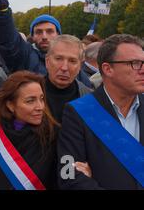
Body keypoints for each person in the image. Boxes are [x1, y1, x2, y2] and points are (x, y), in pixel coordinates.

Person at [58, 34, 144, 190]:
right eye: (135, 63)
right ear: (107, 69)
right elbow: (67, 174)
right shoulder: (77, 112)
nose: (143, 70)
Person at [0, 0, 91, 87]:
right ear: (32, 36)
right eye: (38, 32)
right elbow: (6, 38)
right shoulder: (25, 56)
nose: (44, 36)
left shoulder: (77, 72)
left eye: (50, 31)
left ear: (58, 34)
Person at [44, 35, 92, 123]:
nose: (64, 68)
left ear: (80, 66)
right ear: (47, 62)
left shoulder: (91, 100)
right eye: (58, 59)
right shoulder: (28, 94)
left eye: (72, 61)